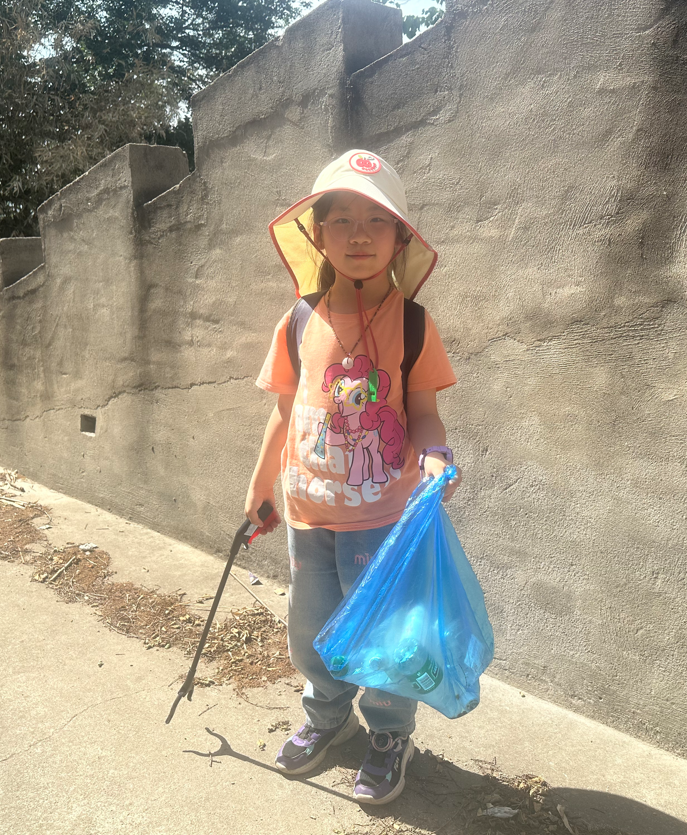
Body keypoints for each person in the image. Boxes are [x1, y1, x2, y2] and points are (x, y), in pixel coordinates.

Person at [245, 150, 460, 805]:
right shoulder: (297, 322)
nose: (359, 234)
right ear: (318, 235)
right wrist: (259, 486)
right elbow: (285, 412)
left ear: (400, 237)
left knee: (385, 637)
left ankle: (390, 732)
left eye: (376, 220)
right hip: (308, 516)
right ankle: (326, 716)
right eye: (341, 219)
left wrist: (434, 453)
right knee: (312, 629)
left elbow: (423, 410)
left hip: (383, 521)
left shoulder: (414, 325)